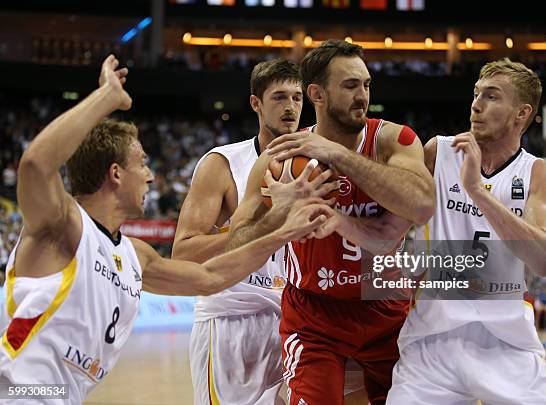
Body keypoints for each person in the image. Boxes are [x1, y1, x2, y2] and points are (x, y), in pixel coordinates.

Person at [0, 55, 331, 404]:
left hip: (60, 394)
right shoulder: (63, 227)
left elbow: (210, 278)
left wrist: (282, 227)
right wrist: (106, 99)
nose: (150, 175)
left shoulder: (133, 255)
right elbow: (36, 165)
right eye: (141, 163)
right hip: (19, 390)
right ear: (115, 174)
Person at [227, 39, 435, 405]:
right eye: (350, 86)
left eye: (367, 85)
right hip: (313, 314)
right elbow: (236, 244)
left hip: (385, 308)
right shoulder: (281, 159)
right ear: (317, 94)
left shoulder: (393, 140)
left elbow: (421, 204)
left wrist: (335, 153)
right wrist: (280, 215)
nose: (362, 96)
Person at [387, 58, 546, 404]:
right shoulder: (437, 152)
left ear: (520, 114)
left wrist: (475, 190)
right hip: (431, 342)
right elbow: (394, 223)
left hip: (506, 343)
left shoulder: (539, 173)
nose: (476, 105)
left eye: (492, 96)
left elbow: (544, 260)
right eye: (476, 94)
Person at [172, 58, 313, 405]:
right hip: (231, 320)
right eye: (279, 97)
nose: (290, 108)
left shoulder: (317, 163)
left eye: (297, 98)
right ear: (256, 104)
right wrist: (263, 226)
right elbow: (184, 252)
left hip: (294, 321)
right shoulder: (222, 164)